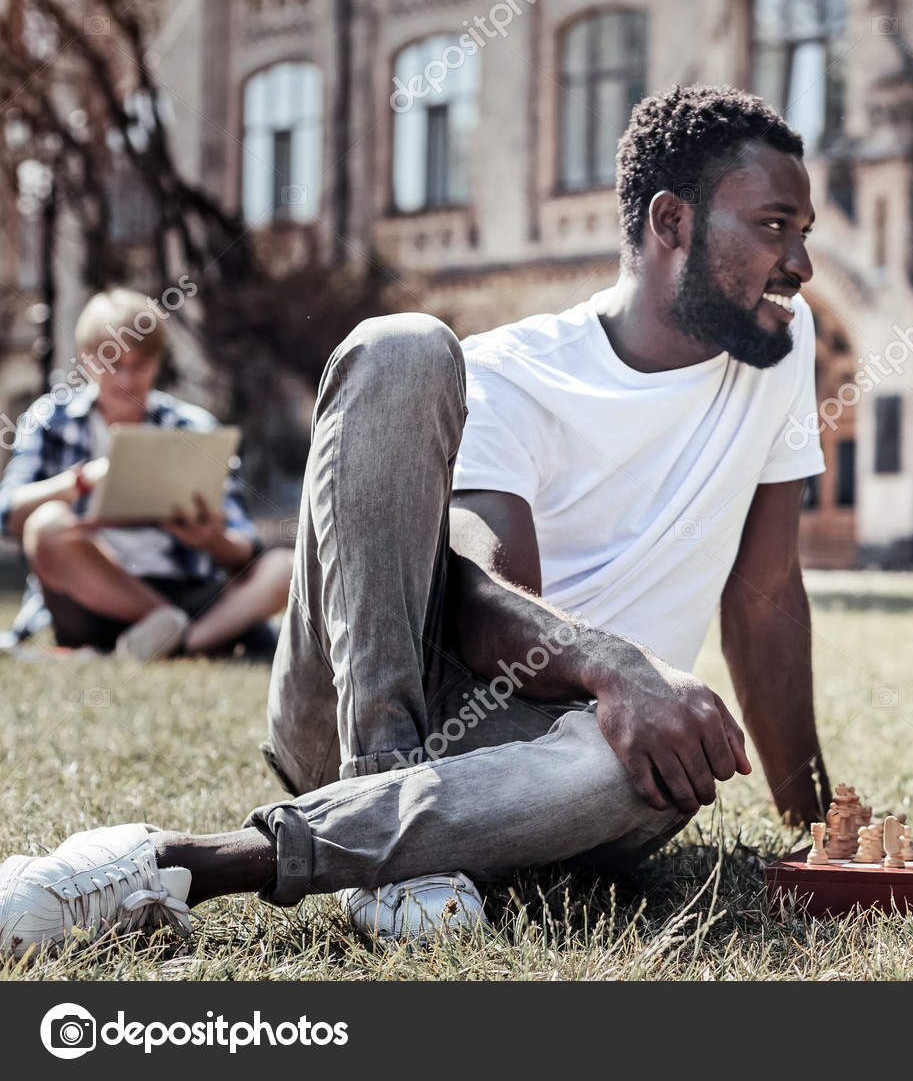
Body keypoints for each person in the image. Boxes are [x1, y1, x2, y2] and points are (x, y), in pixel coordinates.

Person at [0, 85, 831, 957]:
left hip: (557, 769)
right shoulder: (513, 375)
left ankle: (191, 863)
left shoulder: (781, 340)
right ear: (673, 222)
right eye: (775, 225)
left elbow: (768, 593)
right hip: (377, 701)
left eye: (804, 230)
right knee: (400, 346)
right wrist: (614, 662)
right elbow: (466, 599)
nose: (800, 261)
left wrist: (817, 822)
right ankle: (379, 792)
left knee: (656, 766)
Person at [0, 288, 292, 660]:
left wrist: (212, 539)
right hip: (90, 595)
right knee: (45, 524)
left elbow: (246, 552)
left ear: (157, 363)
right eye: (113, 363)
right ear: (87, 360)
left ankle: (181, 641)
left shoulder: (194, 427)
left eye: (139, 364)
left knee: (285, 566)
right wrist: (81, 481)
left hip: (185, 588)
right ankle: (176, 631)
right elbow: (7, 514)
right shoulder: (49, 419)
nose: (126, 379)